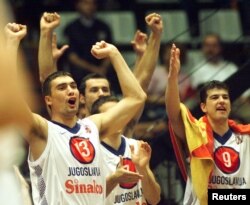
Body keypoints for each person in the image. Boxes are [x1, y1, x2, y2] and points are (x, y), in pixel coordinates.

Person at [2, 25, 147, 204]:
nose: (71, 90)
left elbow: (136, 98)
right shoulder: (43, 130)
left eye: (73, 86)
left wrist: (114, 54)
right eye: (62, 88)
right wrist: (11, 44)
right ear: (48, 100)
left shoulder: (93, 126)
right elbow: (11, 99)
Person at [39, 12, 163, 135]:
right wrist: (46, 32)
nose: (101, 94)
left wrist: (156, 35)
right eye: (94, 90)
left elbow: (143, 80)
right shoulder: (71, 124)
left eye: (105, 89)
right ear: (81, 98)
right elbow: (47, 80)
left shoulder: (122, 124)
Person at [165, 44, 250, 205]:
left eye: (225, 97)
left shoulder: (245, 136)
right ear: (203, 107)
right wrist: (173, 77)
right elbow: (174, 114)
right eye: (214, 97)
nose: (221, 101)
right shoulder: (195, 133)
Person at [91, 95, 161, 205]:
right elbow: (88, 199)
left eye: (119, 113)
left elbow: (155, 199)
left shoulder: (137, 146)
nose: (117, 118)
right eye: (111, 115)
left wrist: (142, 169)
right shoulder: (92, 153)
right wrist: (114, 178)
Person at [63, 0, 113, 88]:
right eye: (86, 3)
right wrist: (94, 69)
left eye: (93, 3)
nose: (90, 6)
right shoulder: (71, 28)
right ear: (78, 5)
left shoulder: (103, 26)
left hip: (102, 68)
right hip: (81, 70)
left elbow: (111, 51)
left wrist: (102, 69)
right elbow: (72, 57)